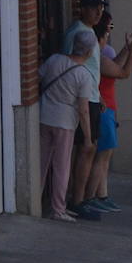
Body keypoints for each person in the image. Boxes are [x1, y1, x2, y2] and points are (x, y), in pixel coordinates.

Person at [83, 12, 132, 213]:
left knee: (104, 156)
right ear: (104, 32)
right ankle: (90, 197)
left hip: (107, 107)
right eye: (110, 27)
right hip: (104, 108)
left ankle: (101, 195)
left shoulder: (101, 56)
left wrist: (127, 48)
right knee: (102, 156)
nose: (111, 32)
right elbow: (123, 72)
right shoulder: (98, 57)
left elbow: (115, 64)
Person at [38, 31, 98, 222]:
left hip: (43, 115)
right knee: (61, 166)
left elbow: (37, 78)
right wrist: (88, 137)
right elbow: (83, 109)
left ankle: (35, 202)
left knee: (40, 162)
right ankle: (58, 209)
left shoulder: (54, 60)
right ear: (89, 52)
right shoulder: (84, 75)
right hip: (64, 122)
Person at [64, 0, 105, 221]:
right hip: (81, 98)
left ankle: (81, 198)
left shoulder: (89, 31)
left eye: (100, 8)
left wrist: (99, 95)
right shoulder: (76, 32)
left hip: (92, 97)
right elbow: (69, 61)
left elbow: (93, 68)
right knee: (85, 147)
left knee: (90, 147)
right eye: (94, 8)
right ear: (83, 9)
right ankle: (76, 199)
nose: (98, 13)